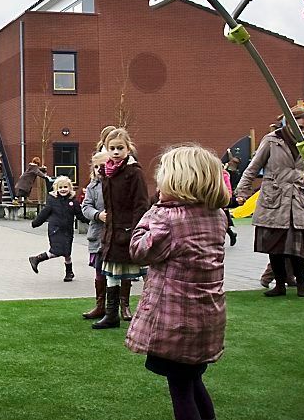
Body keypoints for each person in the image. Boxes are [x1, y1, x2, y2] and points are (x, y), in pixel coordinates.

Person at [126, 145, 229, 420]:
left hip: (176, 322)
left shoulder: (167, 218)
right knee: (193, 381)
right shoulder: (217, 215)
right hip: (206, 318)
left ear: (178, 181)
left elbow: (139, 251)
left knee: (181, 390)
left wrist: (150, 213)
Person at [235, 105, 304, 297]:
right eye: (299, 126)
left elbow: (303, 171)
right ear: (289, 123)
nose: (302, 131)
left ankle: (301, 282)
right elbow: (253, 168)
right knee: (275, 246)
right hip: (275, 197)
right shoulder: (272, 140)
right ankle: (279, 284)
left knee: (297, 245)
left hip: (297, 198)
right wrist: (242, 192)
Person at [93, 128, 149, 329]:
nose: (116, 152)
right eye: (112, 148)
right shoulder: (107, 172)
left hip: (128, 231)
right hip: (112, 231)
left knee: (145, 273)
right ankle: (111, 314)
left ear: (128, 148)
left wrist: (135, 231)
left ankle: (151, 311)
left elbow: (141, 204)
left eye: (120, 148)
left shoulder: (134, 172)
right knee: (110, 273)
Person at [28, 175, 82, 282]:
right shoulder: (52, 200)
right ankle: (37, 259)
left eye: (65, 187)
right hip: (55, 230)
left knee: (67, 252)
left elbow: (79, 214)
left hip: (68, 231)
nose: (63, 190)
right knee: (56, 251)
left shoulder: (73, 201)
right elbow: (44, 213)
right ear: (56, 189)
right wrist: (36, 223)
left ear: (70, 188)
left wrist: (90, 221)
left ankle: (69, 272)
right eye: (60, 187)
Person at [80, 151, 110, 319]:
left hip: (116, 233)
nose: (100, 169)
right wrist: (98, 215)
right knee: (99, 271)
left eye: (103, 166)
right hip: (98, 234)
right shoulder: (92, 187)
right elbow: (86, 207)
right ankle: (100, 305)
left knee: (118, 271)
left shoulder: (117, 184)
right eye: (96, 166)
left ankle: (123, 305)